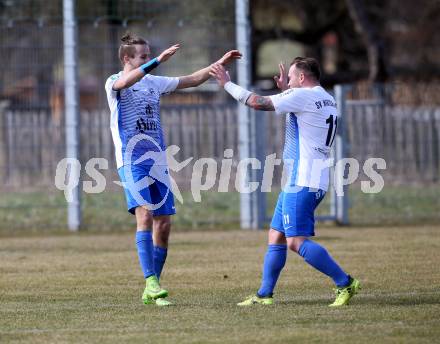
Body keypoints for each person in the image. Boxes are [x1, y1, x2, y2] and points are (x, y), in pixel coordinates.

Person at [209, 57, 360, 307]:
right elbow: (303, 115)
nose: (287, 81)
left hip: (302, 180)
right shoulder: (326, 98)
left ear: (302, 78)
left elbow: (257, 102)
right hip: (308, 179)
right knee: (276, 235)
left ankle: (345, 282)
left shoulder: (304, 97)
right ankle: (264, 294)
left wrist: (227, 84)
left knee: (295, 241)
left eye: (290, 77)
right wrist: (286, 92)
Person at [105, 33, 241, 306]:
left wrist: (219, 64)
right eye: (142, 56)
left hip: (157, 161)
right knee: (144, 216)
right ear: (126, 58)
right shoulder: (113, 82)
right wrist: (157, 61)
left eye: (148, 55)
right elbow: (126, 81)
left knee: (164, 224)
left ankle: (152, 287)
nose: (147, 59)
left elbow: (191, 79)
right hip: (131, 161)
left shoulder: (154, 83)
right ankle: (152, 283)